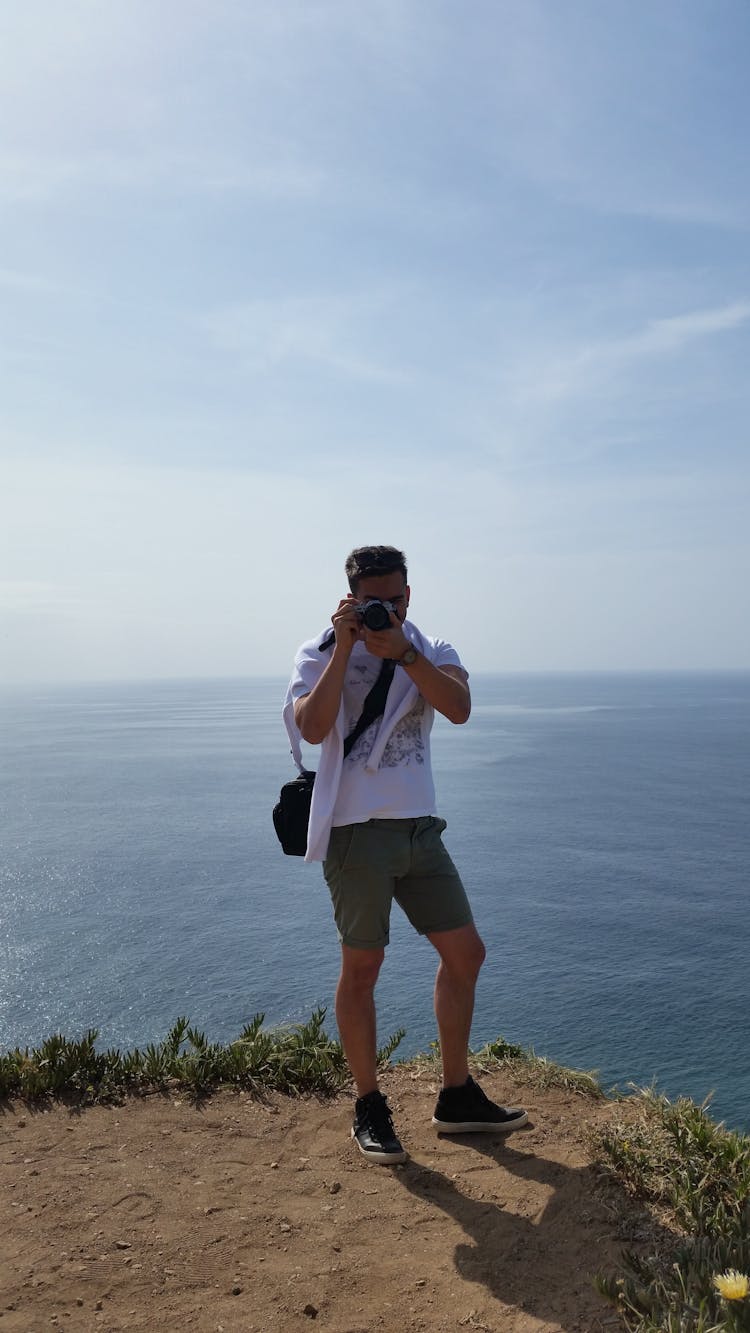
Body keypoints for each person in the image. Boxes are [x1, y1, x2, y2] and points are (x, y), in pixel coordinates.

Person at [284, 545, 527, 1165]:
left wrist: (405, 652)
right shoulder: (317, 651)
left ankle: (455, 1095)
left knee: (466, 953)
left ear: (409, 595)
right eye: (374, 602)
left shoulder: (432, 647)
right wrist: (346, 648)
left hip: (420, 830)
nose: (386, 611)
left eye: (395, 599)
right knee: (363, 966)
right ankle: (369, 1104)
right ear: (350, 597)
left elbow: (460, 708)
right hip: (355, 834)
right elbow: (312, 729)